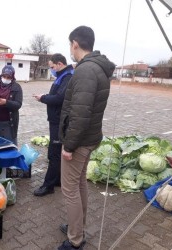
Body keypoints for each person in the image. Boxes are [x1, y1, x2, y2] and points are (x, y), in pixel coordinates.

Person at [58, 26, 115, 250]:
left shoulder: (85, 70)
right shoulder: (97, 68)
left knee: (69, 189)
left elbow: (80, 114)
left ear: (75, 43)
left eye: (70, 45)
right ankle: (77, 228)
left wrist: (69, 146)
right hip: (90, 137)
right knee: (79, 184)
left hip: (80, 141)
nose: (70, 50)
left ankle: (75, 240)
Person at [32, 53, 73, 197]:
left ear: (60, 64)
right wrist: (46, 96)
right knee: (56, 152)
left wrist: (43, 98)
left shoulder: (68, 77)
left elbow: (60, 98)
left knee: (54, 153)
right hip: (56, 119)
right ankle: (58, 179)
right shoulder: (63, 76)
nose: (51, 70)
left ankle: (48, 185)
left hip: (60, 121)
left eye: (52, 67)